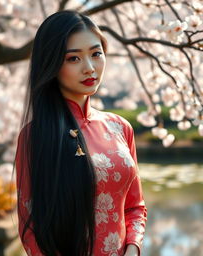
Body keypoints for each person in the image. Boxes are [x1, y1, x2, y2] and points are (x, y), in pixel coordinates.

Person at [15, 10, 147, 256]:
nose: (89, 68)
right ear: (52, 64)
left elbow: (135, 207)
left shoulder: (120, 127)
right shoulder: (36, 136)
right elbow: (30, 224)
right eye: (73, 59)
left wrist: (133, 248)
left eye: (96, 54)